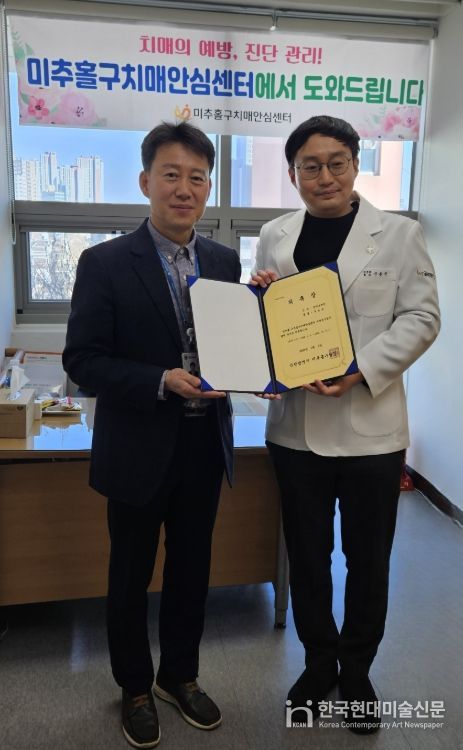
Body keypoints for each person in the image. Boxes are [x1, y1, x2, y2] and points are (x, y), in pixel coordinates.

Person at [251, 115, 440, 734]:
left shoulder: (399, 234)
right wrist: (260, 298)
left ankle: (357, 670)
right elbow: (267, 324)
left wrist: (361, 369)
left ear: (356, 165)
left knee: (368, 559)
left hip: (372, 432)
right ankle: (318, 663)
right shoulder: (275, 235)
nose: (324, 176)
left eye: (336, 163)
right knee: (307, 556)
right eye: (310, 166)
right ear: (293, 174)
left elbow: (422, 318)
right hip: (296, 429)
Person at [63, 122, 241, 749]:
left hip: (203, 446)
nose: (184, 189)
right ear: (145, 181)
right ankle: (135, 687)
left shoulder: (225, 261)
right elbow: (82, 361)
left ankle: (179, 676)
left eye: (197, 177)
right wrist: (159, 380)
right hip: (138, 448)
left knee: (193, 571)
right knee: (130, 576)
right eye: (171, 175)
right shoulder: (105, 262)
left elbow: (233, 343)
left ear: (208, 187)